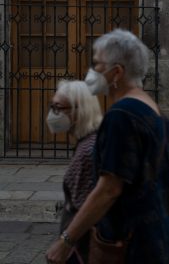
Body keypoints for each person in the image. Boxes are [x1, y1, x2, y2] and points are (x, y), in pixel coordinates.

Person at [45, 29, 169, 264]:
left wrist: (66, 240)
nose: (92, 71)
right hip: (160, 235)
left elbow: (109, 189)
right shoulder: (155, 112)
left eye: (97, 64)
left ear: (117, 72)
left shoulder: (121, 116)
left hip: (129, 243)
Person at [46, 80, 103, 263]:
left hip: (82, 250)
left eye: (58, 107)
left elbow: (86, 207)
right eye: (52, 106)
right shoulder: (87, 144)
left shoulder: (88, 151)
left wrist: (65, 242)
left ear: (79, 111)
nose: (53, 114)